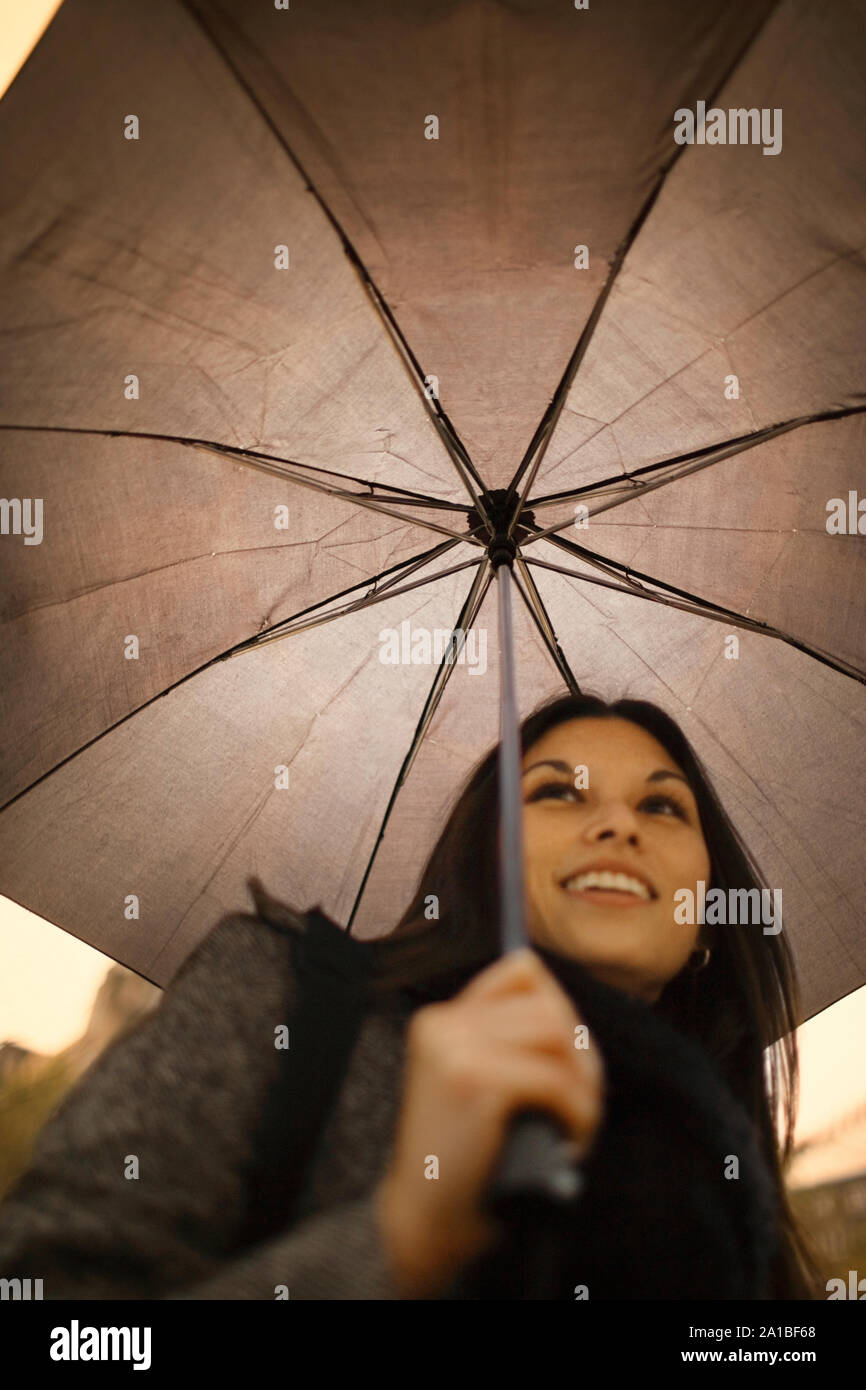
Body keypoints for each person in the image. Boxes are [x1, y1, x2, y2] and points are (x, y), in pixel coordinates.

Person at [0, 692, 823, 1299]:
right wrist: (403, 1239)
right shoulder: (283, 996)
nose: (617, 824)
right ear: (483, 860)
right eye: (557, 792)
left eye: (661, 804)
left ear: (709, 915)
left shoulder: (729, 1163)